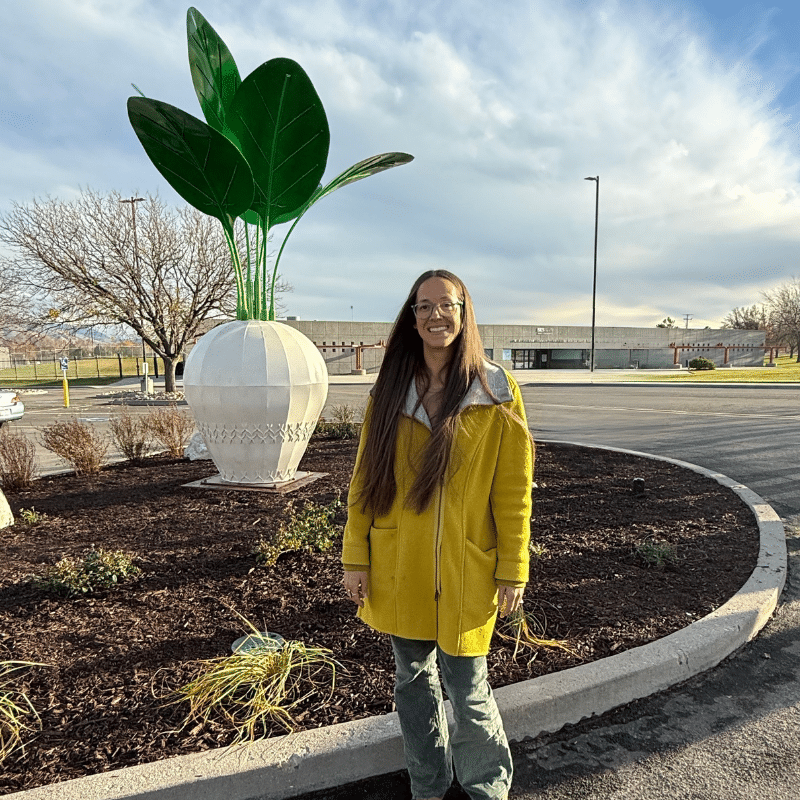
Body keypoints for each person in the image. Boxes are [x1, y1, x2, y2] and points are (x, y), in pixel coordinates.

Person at [341, 269, 534, 800]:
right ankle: (427, 786)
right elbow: (364, 481)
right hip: (399, 566)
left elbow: (514, 492)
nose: (435, 316)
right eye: (423, 307)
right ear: (412, 316)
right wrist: (355, 558)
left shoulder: (495, 391)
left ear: (464, 312)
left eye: (446, 305)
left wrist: (512, 567)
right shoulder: (389, 392)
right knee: (413, 686)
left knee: (469, 689)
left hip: (466, 569)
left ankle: (486, 788)